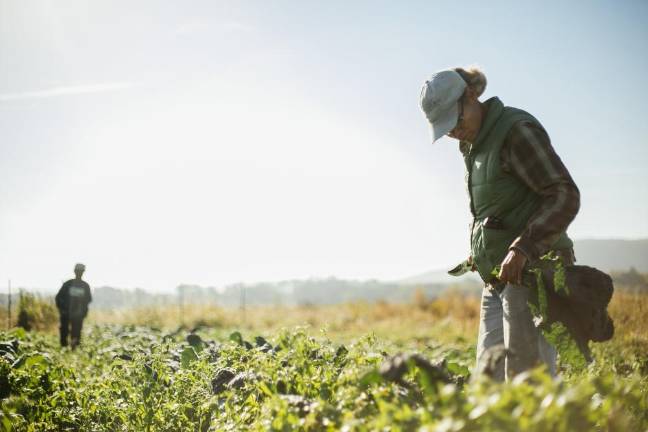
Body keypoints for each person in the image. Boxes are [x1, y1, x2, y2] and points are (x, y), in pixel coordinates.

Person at [420, 67, 580, 381]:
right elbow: (500, 207)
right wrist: (482, 248)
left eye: (455, 121)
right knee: (487, 383)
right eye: (445, 128)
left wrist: (522, 248)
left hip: (534, 274)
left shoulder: (515, 131)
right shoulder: (474, 146)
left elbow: (564, 195)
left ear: (470, 96)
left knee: (527, 385)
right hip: (498, 277)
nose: (452, 132)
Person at [55, 263, 92, 349]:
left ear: (83, 272)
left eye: (81, 271)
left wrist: (83, 310)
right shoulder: (67, 284)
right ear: (75, 272)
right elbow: (58, 298)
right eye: (78, 271)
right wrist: (62, 309)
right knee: (64, 330)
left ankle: (74, 347)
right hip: (66, 313)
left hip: (78, 314)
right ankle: (64, 347)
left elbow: (88, 300)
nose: (79, 273)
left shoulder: (85, 286)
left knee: (77, 331)